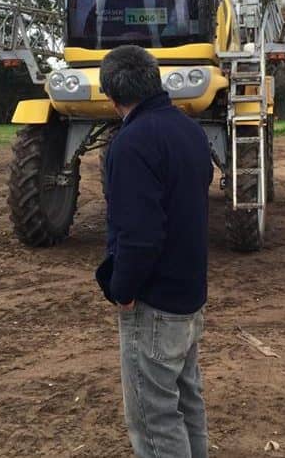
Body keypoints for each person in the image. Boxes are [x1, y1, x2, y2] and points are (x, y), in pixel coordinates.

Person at [94, 44, 213, 458]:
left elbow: (139, 236)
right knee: (187, 401)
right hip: (188, 295)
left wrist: (122, 288)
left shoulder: (131, 144)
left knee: (154, 418)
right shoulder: (190, 130)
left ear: (111, 96)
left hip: (154, 304)